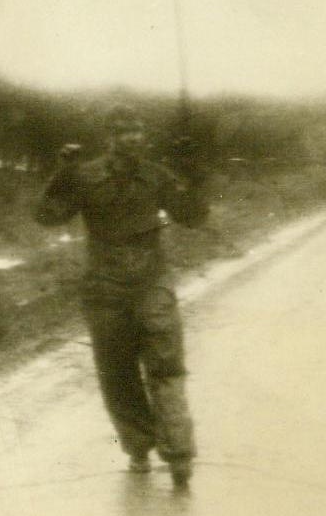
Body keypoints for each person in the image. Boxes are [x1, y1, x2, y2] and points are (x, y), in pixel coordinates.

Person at [34, 104, 208, 487]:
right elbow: (46, 215)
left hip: (151, 283)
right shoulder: (85, 175)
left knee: (167, 366)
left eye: (136, 130)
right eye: (121, 131)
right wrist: (61, 175)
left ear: (143, 135)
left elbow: (193, 217)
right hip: (104, 288)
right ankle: (138, 448)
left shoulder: (156, 176)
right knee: (117, 373)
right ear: (109, 137)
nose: (130, 137)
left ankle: (179, 456)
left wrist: (194, 171)